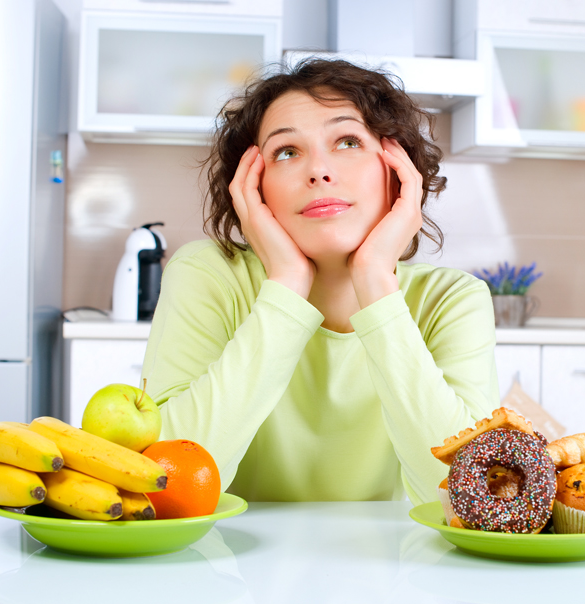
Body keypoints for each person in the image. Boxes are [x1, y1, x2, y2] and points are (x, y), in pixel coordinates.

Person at [140, 58, 498, 505]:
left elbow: (469, 499)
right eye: (286, 152)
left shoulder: (452, 299)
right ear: (254, 186)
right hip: (226, 565)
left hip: (398, 567)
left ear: (398, 171)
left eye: (348, 141)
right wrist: (287, 286)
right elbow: (164, 484)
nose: (319, 171)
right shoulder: (207, 275)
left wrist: (375, 284)